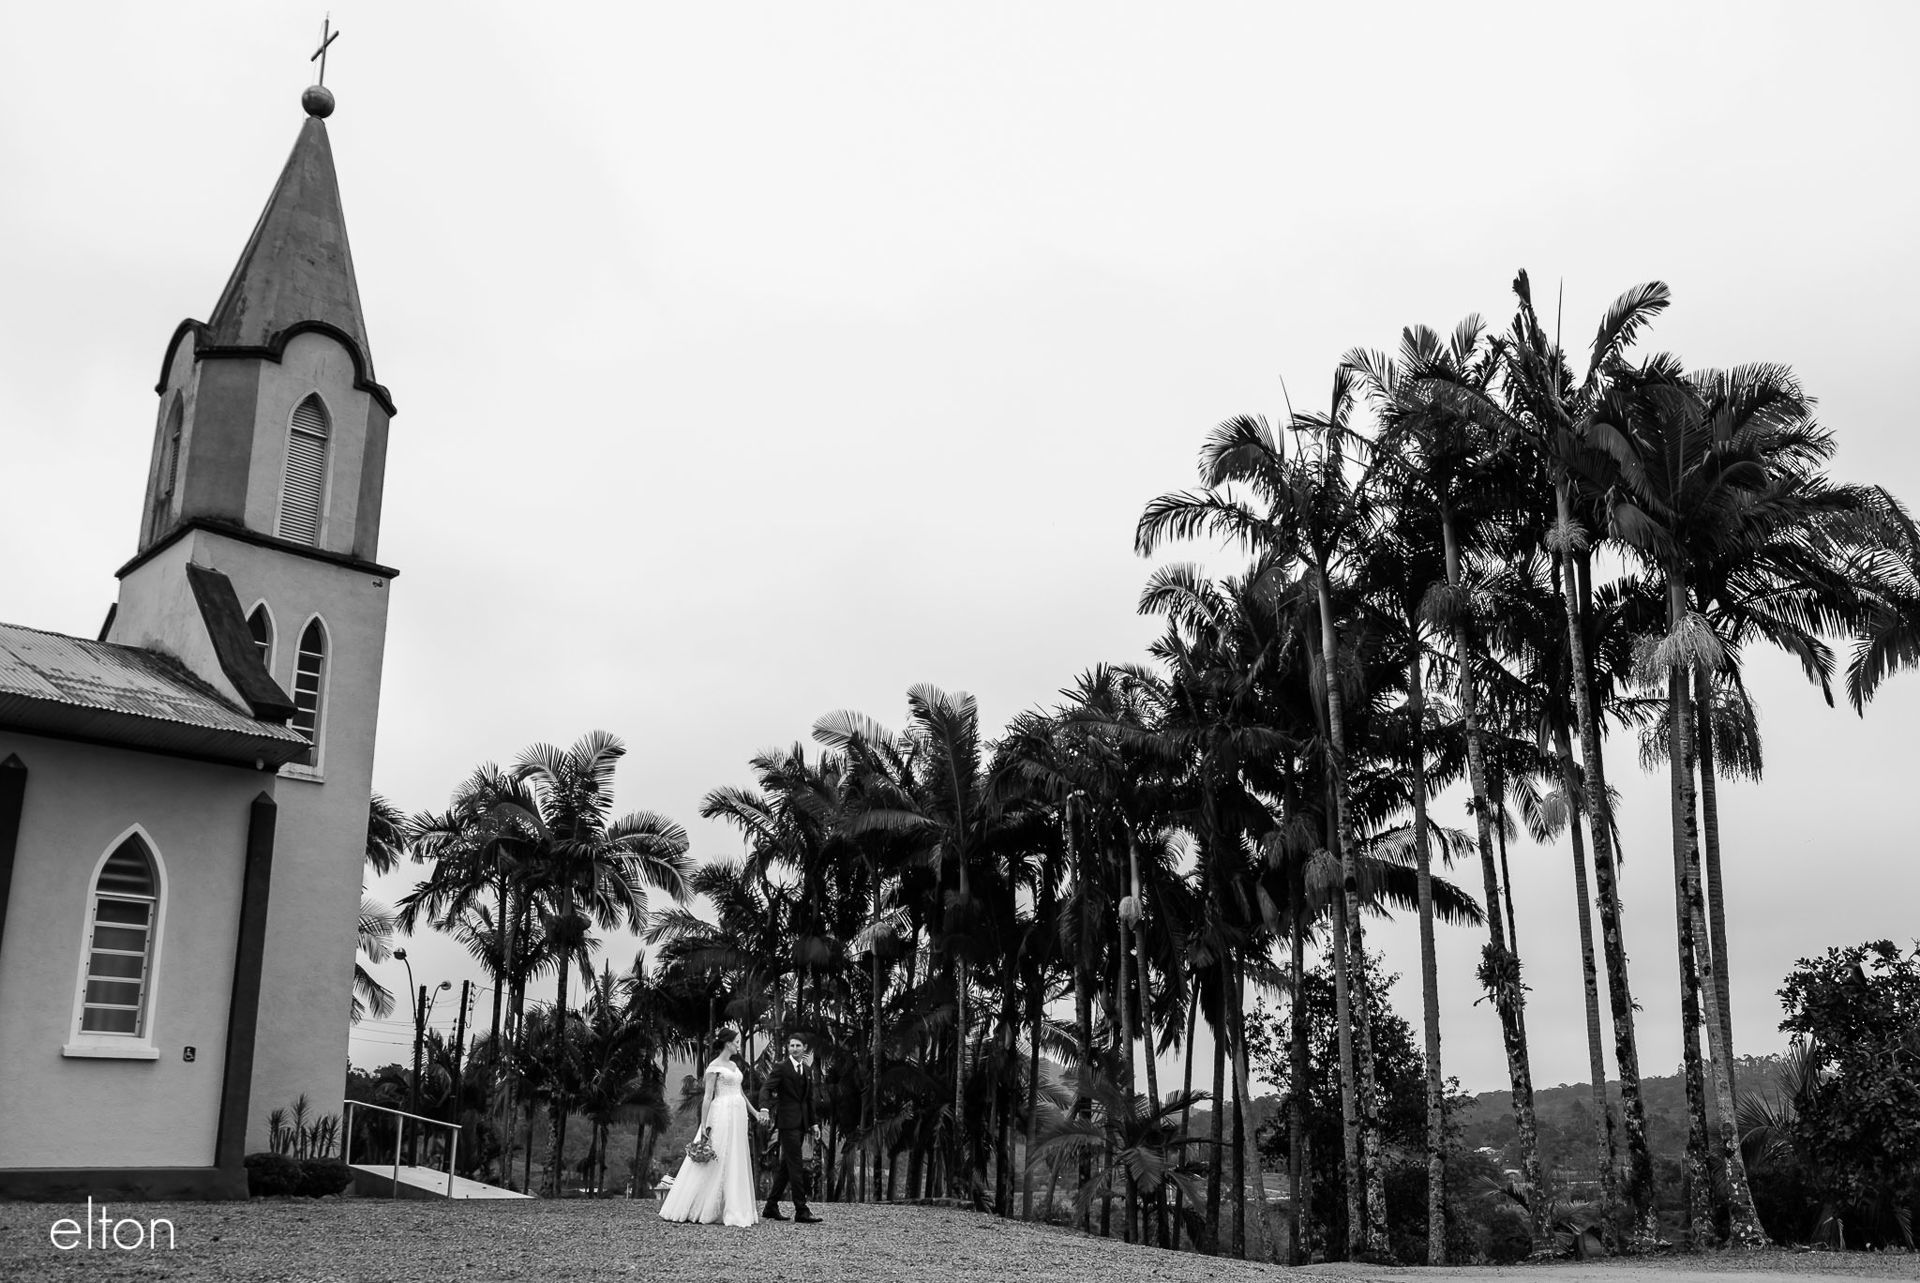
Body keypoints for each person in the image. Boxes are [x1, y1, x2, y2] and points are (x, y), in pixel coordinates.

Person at [658, 1028, 769, 1226]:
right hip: (722, 1113)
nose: (738, 1045)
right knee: (718, 1156)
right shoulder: (713, 1067)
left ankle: (732, 1205)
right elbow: (708, 1096)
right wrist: (704, 1125)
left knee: (735, 1156)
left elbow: (740, 1093)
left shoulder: (734, 1065)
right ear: (727, 1043)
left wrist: (755, 1113)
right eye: (736, 1041)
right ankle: (700, 1206)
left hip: (738, 1114)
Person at [758, 1033, 823, 1223]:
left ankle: (771, 1206)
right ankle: (801, 1210)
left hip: (802, 1123)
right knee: (796, 1165)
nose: (794, 1048)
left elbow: (809, 1099)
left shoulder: (807, 1070)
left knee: (787, 1166)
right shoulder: (781, 1067)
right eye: (791, 1045)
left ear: (804, 1048)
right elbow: (766, 1088)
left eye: (798, 1045)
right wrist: (764, 1108)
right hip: (787, 1124)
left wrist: (814, 1123)